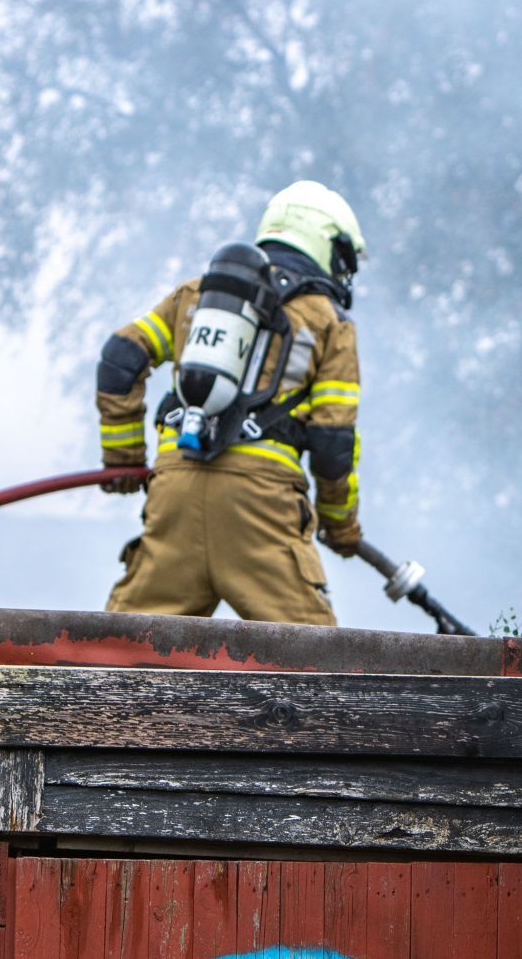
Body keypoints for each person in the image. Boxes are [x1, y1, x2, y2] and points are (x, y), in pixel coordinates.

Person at [96, 180, 366, 625]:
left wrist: (123, 459)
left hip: (175, 493)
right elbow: (334, 441)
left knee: (117, 652)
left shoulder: (195, 296)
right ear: (326, 243)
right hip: (262, 508)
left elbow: (119, 362)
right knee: (314, 668)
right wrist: (341, 525)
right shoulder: (328, 321)